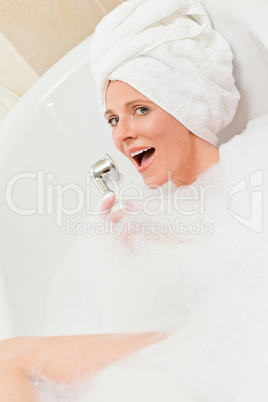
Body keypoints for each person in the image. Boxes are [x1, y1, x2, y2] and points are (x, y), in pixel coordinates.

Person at [0, 0, 248, 400]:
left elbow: (237, 303)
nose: (121, 135)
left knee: (8, 361)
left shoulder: (248, 183)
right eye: (114, 119)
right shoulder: (169, 215)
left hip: (223, 341)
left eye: (140, 110)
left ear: (185, 103)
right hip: (216, 347)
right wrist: (148, 248)